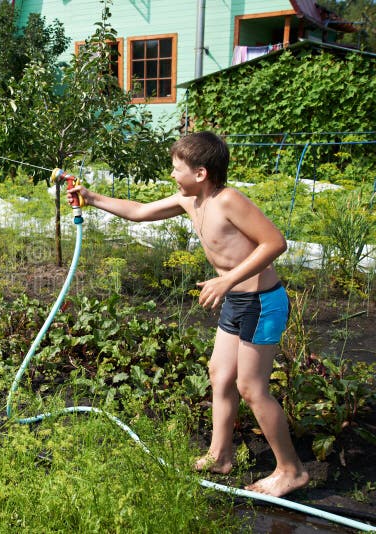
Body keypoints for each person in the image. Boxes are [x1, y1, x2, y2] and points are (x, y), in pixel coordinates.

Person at [65, 131, 309, 498]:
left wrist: (226, 280)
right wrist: (93, 197)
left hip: (261, 301)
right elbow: (139, 213)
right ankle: (220, 454)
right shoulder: (189, 201)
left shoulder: (229, 200)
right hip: (236, 300)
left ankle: (291, 470)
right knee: (220, 373)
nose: (172, 175)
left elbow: (275, 242)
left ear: (200, 173)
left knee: (251, 387)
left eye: (176, 169)